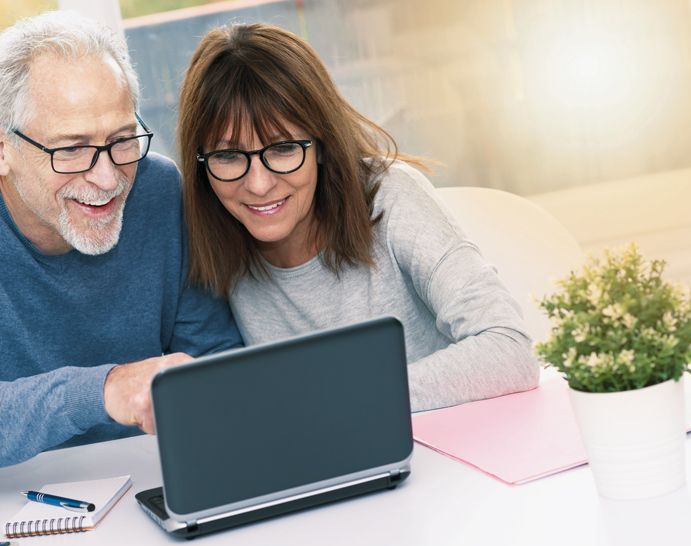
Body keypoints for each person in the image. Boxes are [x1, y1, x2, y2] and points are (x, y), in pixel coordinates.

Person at [0, 11, 241, 471]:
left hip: (144, 483)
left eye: (123, 140)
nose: (108, 178)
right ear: (0, 147)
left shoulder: (159, 191)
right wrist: (103, 391)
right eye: (71, 149)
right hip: (4, 504)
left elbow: (221, 373)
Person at [177, 23, 538, 411]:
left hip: (450, 448)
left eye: (282, 149)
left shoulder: (392, 195)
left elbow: (510, 348)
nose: (260, 184)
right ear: (202, 163)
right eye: (228, 156)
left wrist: (351, 396)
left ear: (321, 143)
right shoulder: (207, 242)